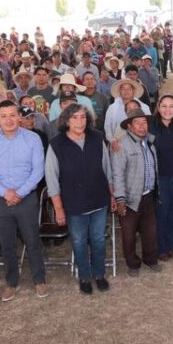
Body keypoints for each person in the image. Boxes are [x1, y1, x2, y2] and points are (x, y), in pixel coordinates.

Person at [0, 101, 48, 300]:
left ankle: (39, 280)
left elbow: (38, 170)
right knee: (6, 243)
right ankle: (11, 282)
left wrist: (20, 193)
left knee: (32, 240)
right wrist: (5, 193)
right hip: (0, 199)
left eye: (12, 115)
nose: (8, 120)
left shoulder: (33, 138)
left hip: (26, 198)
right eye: (4, 116)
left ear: (19, 117)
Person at [45, 104, 114, 294]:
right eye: (75, 117)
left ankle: (99, 274)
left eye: (83, 117)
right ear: (66, 121)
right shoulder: (56, 145)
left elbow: (107, 169)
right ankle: (84, 276)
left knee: (98, 240)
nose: (80, 121)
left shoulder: (97, 138)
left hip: (99, 199)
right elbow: (52, 179)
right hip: (74, 203)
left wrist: (112, 195)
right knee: (79, 241)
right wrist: (58, 208)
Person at [111, 109, 162, 276]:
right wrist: (120, 199)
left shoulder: (150, 142)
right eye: (137, 123)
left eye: (144, 122)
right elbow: (117, 174)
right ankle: (133, 264)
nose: (142, 126)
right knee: (128, 234)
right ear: (129, 127)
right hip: (130, 198)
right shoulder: (122, 145)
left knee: (150, 231)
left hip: (148, 195)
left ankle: (150, 259)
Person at [151, 94, 173, 261]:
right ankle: (161, 248)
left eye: (171, 106)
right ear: (158, 108)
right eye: (164, 106)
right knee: (161, 212)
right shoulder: (151, 128)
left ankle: (171, 246)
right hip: (160, 178)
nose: (167, 109)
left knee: (171, 211)